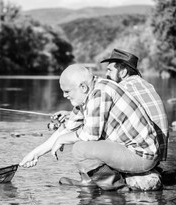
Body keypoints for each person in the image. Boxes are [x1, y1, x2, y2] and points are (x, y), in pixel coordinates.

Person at [20, 64, 161, 191]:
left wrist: (63, 139)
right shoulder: (87, 95)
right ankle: (91, 182)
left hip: (141, 155)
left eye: (67, 91)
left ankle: (116, 187)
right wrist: (34, 154)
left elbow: (90, 134)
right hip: (130, 150)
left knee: (80, 149)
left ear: (83, 87)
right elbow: (66, 129)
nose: (64, 96)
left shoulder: (100, 93)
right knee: (79, 143)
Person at [101, 48, 168, 162]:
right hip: (158, 154)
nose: (106, 74)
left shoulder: (122, 88)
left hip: (141, 156)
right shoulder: (145, 84)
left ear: (123, 72)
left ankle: (107, 177)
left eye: (109, 70)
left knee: (90, 138)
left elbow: (100, 116)